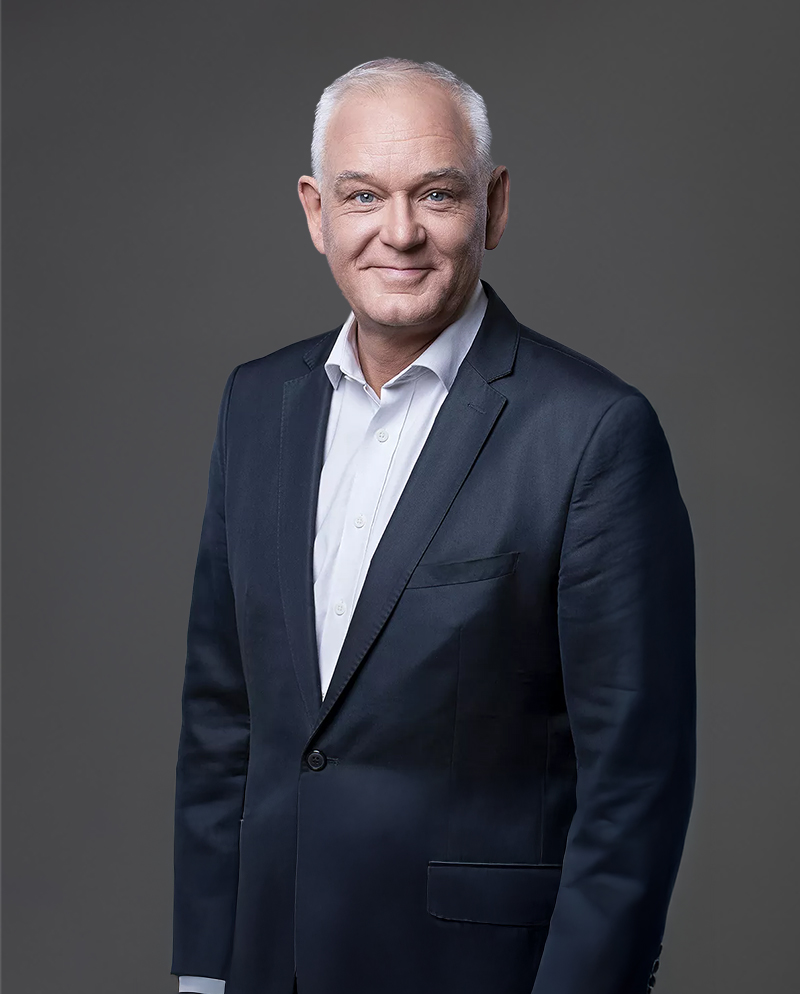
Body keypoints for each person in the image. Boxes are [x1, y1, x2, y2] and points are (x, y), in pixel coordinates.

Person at [171, 58, 695, 994]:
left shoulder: (593, 434)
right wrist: (207, 972)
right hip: (266, 965)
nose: (399, 232)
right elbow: (224, 723)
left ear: (492, 206)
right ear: (315, 212)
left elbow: (634, 789)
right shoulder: (256, 404)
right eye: (363, 194)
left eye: (437, 194)